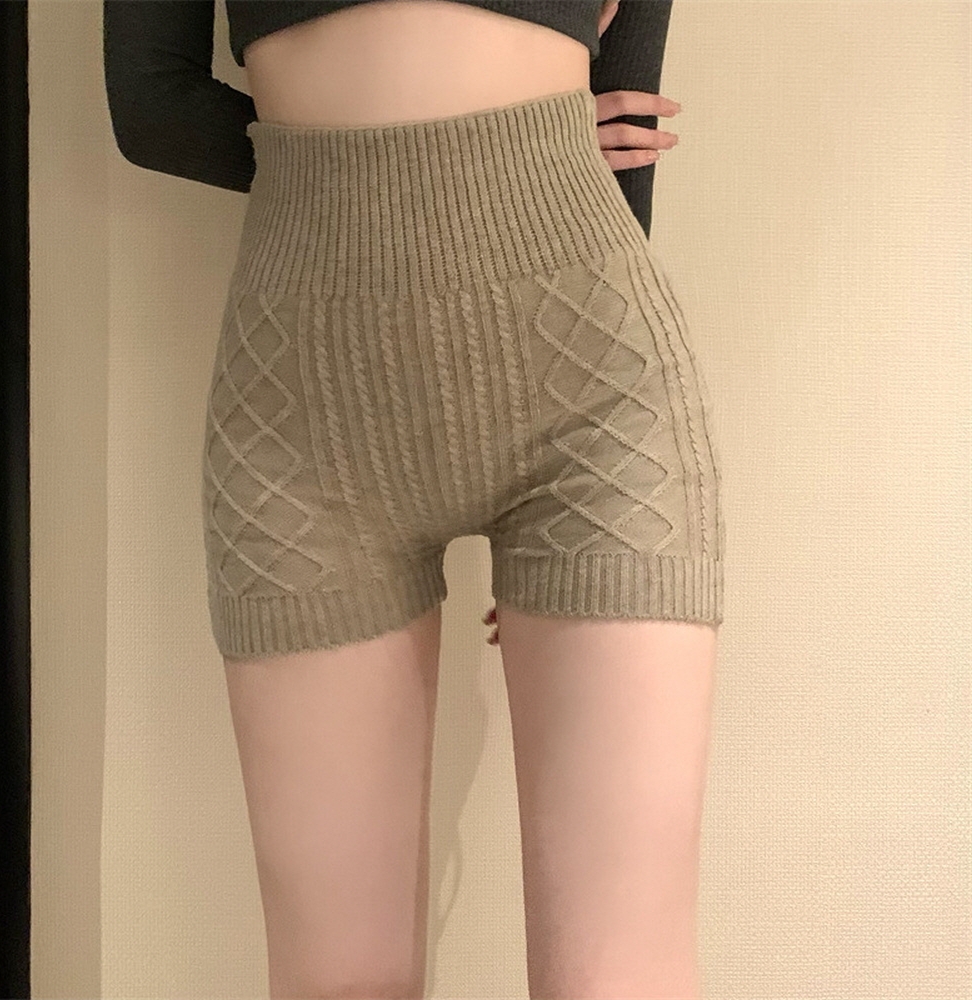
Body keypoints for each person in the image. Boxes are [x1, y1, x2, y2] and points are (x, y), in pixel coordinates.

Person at [103, 2, 725, 998]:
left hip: (591, 389)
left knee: (620, 979)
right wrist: (436, 168)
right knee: (340, 982)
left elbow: (626, 125)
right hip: (303, 415)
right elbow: (151, 103)